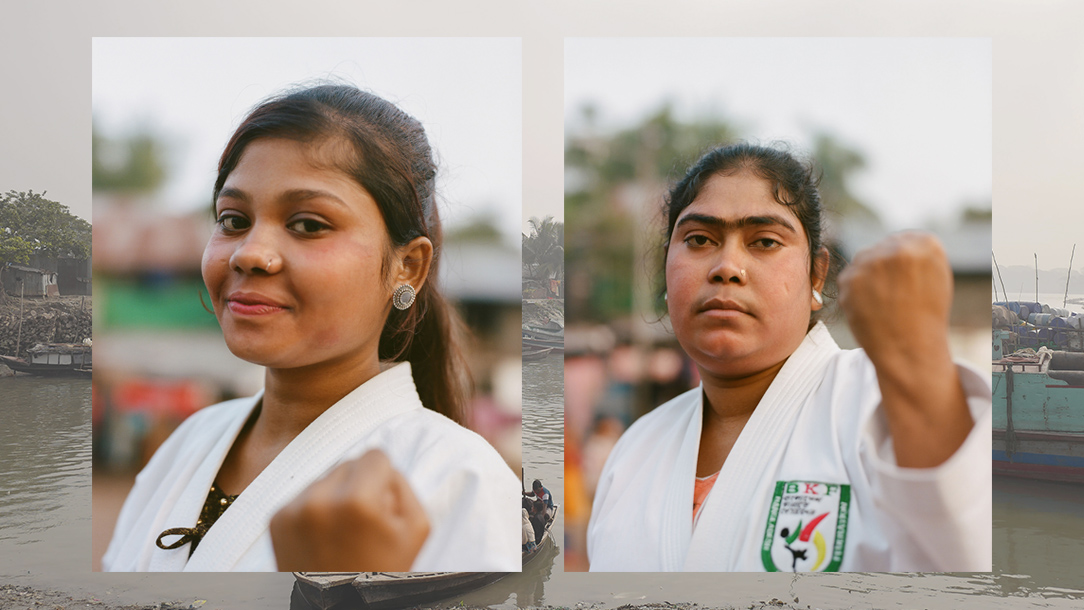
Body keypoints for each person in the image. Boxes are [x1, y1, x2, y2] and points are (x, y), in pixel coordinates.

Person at [102, 84, 520, 572]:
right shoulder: (188, 443)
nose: (249, 253)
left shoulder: (457, 480)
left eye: (308, 225)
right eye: (233, 219)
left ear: (407, 266)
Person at [586, 142, 991, 572]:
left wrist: (916, 354)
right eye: (699, 239)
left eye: (764, 241)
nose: (727, 267)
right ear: (667, 266)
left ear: (816, 273)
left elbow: (968, 562)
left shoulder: (882, 405)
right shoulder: (635, 451)